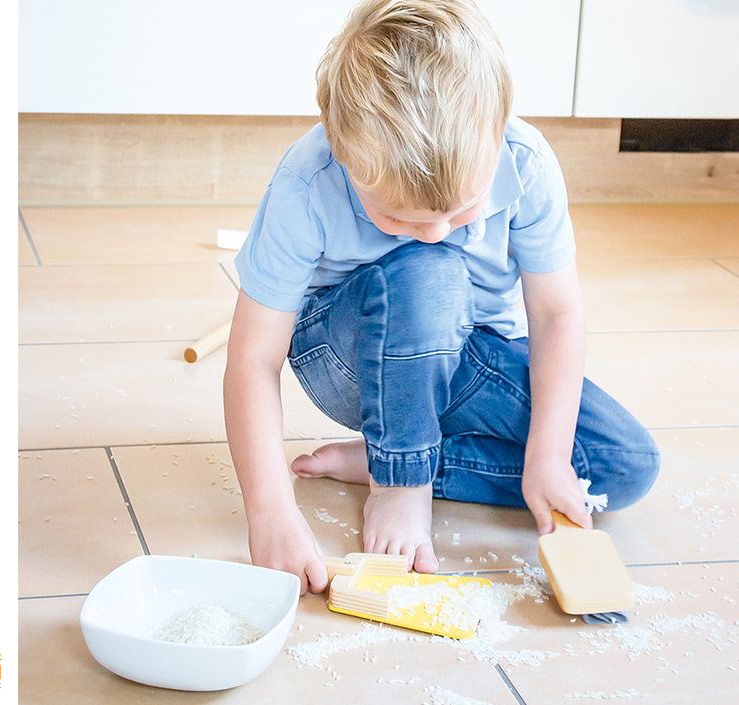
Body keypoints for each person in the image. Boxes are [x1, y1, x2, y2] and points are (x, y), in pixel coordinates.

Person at [224, 0, 660, 594]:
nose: (435, 231)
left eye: (463, 210)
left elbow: (556, 313)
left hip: (470, 352)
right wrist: (271, 514)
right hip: (348, 358)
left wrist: (549, 456)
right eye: (396, 218)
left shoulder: (525, 163)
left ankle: (396, 458)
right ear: (344, 152)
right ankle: (400, 480)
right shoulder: (308, 183)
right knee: (433, 271)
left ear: (501, 126)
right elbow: (253, 359)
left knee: (623, 467)